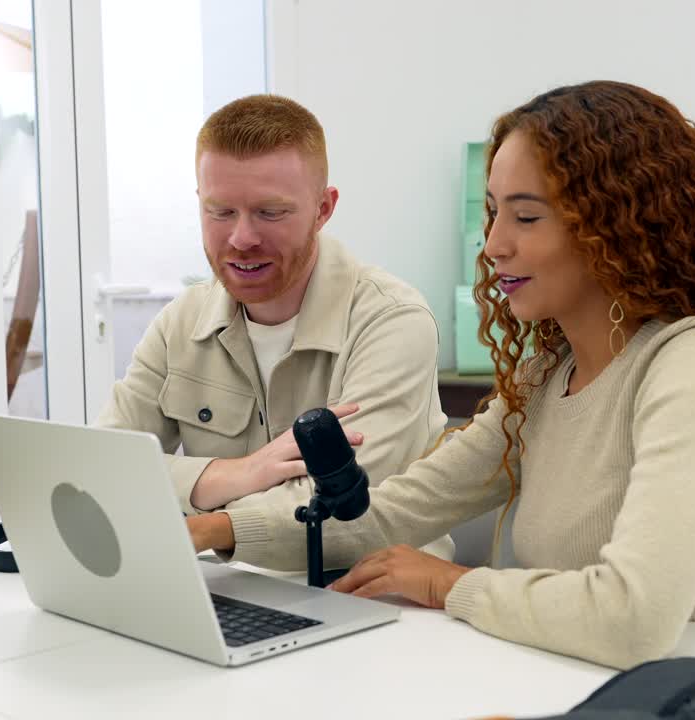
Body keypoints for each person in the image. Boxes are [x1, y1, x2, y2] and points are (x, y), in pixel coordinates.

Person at [188, 81, 695, 669]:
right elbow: (395, 512)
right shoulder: (548, 378)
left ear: (618, 225)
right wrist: (221, 532)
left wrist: (449, 584)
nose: (493, 245)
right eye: (493, 213)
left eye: (525, 216)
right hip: (624, 684)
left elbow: (632, 616)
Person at [99, 94, 454, 559]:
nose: (242, 238)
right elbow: (105, 468)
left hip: (372, 598)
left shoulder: (392, 322)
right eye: (220, 211)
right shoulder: (181, 322)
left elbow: (342, 510)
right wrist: (235, 473)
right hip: (229, 588)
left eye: (270, 212)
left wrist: (208, 524)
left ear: (323, 208)